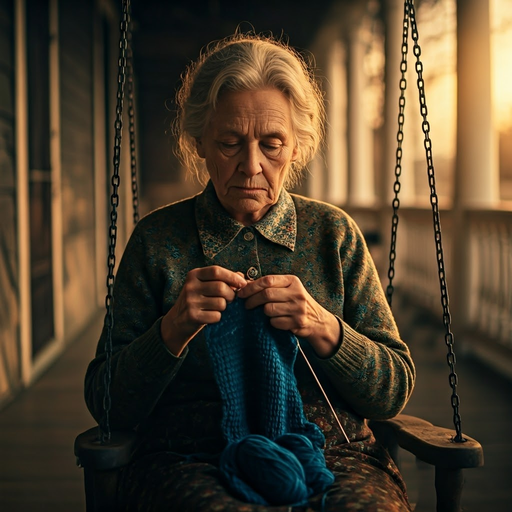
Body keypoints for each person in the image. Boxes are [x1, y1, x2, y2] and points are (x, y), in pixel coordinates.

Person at [84, 32, 415, 511]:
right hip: (191, 456)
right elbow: (106, 399)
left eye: (272, 144)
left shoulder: (333, 235)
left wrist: (324, 327)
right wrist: (172, 329)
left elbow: (393, 390)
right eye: (230, 143)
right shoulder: (159, 241)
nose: (251, 165)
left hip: (331, 452)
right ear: (199, 142)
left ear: (297, 147)